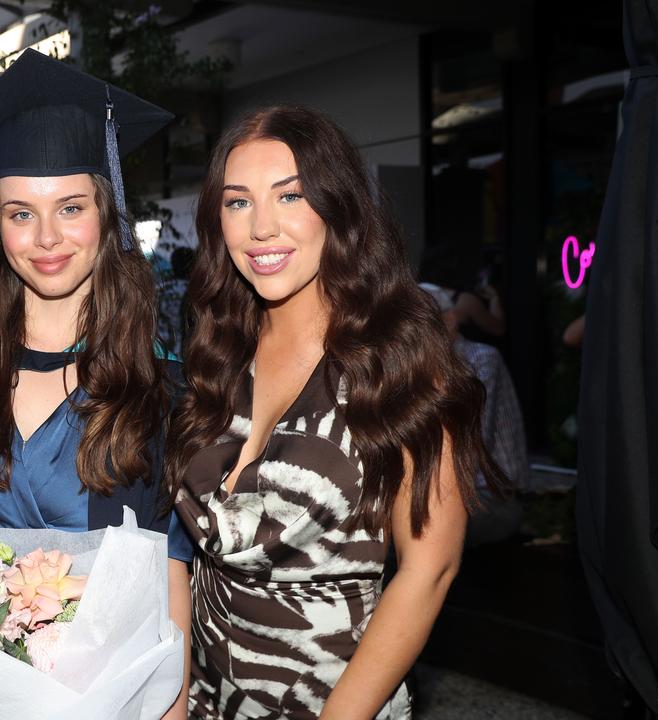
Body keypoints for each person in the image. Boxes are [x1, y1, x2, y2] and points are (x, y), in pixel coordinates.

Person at [166, 106, 506, 719]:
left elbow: (430, 569)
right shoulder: (216, 353)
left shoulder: (399, 360)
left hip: (333, 698)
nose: (261, 227)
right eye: (238, 202)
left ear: (338, 207)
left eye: (290, 196)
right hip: (203, 697)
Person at [0, 49, 192, 718]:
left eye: (70, 207)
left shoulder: (160, 377)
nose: (46, 237)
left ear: (106, 213)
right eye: (20, 213)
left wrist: (173, 705)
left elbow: (171, 565)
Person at [421, 282, 528, 543]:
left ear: (449, 321)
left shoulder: (481, 358)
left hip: (491, 499)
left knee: (419, 536)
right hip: (446, 495)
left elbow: (468, 442)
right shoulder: (419, 365)